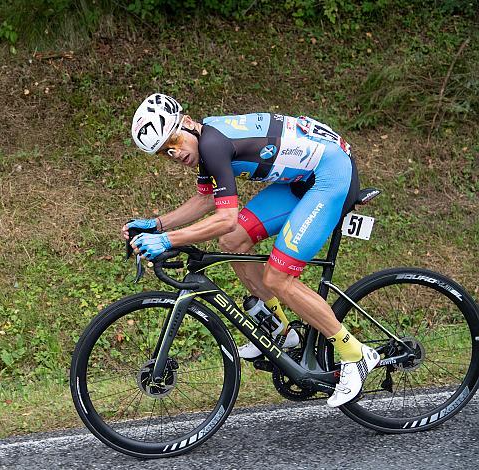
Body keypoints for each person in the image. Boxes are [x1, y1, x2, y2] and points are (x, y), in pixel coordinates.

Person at [123, 93, 379, 407]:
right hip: (303, 180)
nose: (174, 153)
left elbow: (226, 217)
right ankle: (281, 332)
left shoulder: (213, 145)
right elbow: (206, 201)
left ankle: (355, 353)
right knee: (232, 243)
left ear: (188, 123)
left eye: (172, 140)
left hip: (331, 176)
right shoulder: (207, 144)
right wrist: (157, 224)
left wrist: (168, 240)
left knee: (277, 278)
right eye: (165, 152)